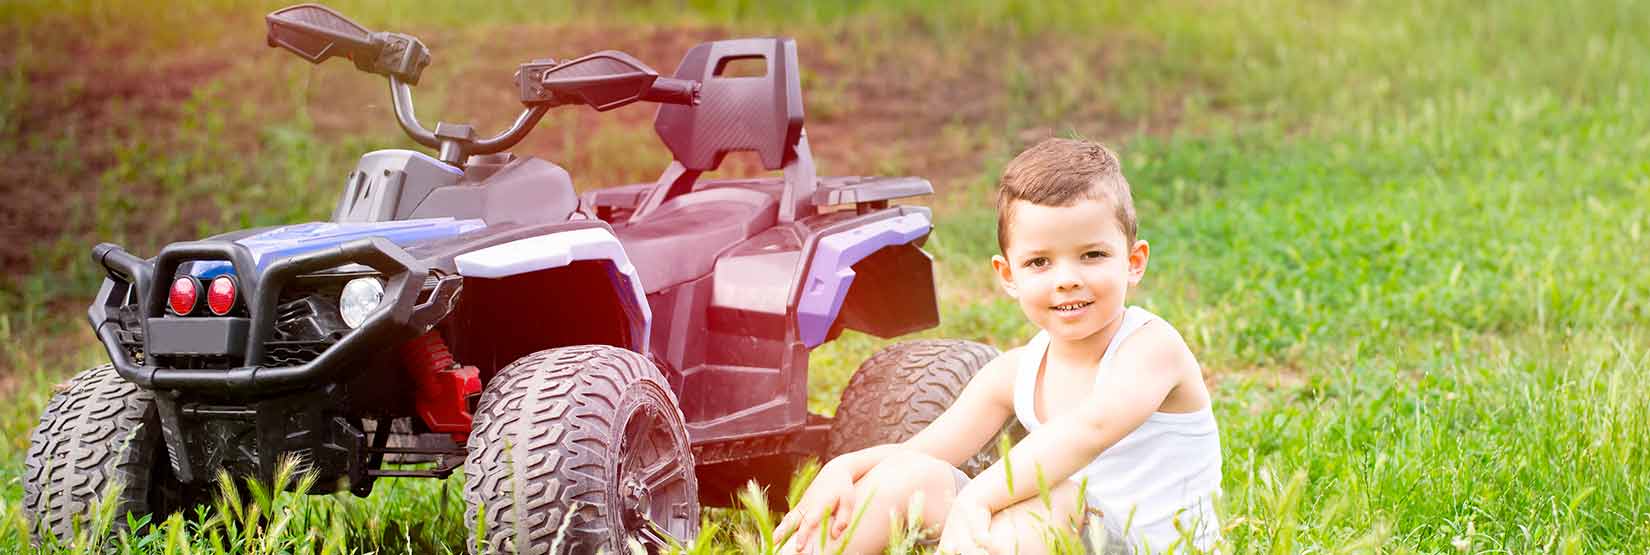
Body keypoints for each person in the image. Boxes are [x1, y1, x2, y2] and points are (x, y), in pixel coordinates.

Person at [772, 138, 1223, 554]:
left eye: (1093, 255)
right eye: (1039, 262)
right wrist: (845, 468)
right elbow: (924, 451)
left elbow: (1087, 431)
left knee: (1056, 498)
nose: (1067, 278)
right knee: (905, 478)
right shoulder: (1016, 372)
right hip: (1044, 532)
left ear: (1134, 261)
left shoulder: (1151, 349)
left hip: (1139, 545)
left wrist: (981, 498)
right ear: (1009, 275)